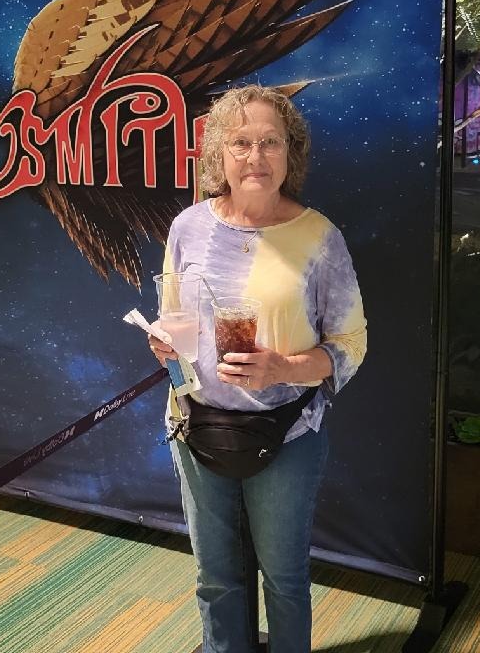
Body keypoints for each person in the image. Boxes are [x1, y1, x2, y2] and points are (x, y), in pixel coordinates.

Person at [148, 84, 366, 653]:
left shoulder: (319, 237)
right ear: (218, 154)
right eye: (240, 143)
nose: (255, 157)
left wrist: (281, 368)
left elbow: (350, 344)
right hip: (195, 426)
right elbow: (173, 317)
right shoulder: (187, 226)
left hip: (286, 432)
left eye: (270, 142)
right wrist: (164, 342)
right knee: (216, 577)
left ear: (291, 153)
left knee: (284, 580)